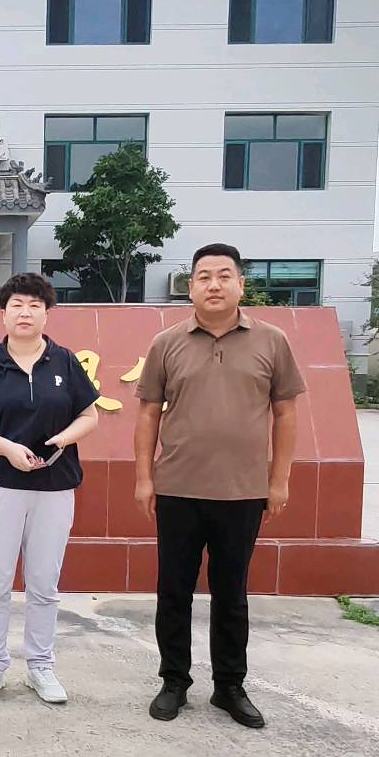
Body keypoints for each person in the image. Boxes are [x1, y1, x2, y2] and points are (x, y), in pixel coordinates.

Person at [134, 243, 306, 729]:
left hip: (243, 491)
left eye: (224, 276)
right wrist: (144, 477)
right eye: (204, 277)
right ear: (190, 287)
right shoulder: (166, 343)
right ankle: (174, 680)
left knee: (232, 594)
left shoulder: (272, 341)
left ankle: (229, 686)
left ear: (240, 285)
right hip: (178, 488)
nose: (214, 285)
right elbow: (147, 413)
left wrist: (279, 479)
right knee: (174, 590)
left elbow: (286, 413)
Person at [0, 272, 100, 705]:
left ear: (47, 314)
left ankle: (41, 666)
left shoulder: (64, 362)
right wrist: (7, 449)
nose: (25, 312)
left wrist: (64, 438)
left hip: (54, 486)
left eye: (35, 305)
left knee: (44, 582)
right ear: (3, 313)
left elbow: (90, 416)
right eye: (17, 304)